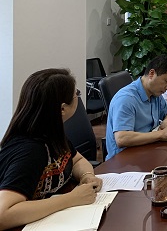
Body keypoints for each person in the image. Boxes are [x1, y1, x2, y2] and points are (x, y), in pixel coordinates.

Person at [0, 69, 102, 230]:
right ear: (62, 109)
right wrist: (71, 199)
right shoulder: (30, 151)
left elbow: (77, 160)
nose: (78, 97)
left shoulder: (51, 133)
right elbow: (3, 214)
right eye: (76, 94)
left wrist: (87, 176)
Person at [105, 54, 167, 160]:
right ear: (152, 73)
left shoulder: (155, 93)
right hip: (124, 160)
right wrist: (161, 134)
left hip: (147, 151)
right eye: (166, 82)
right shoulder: (126, 99)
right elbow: (122, 138)